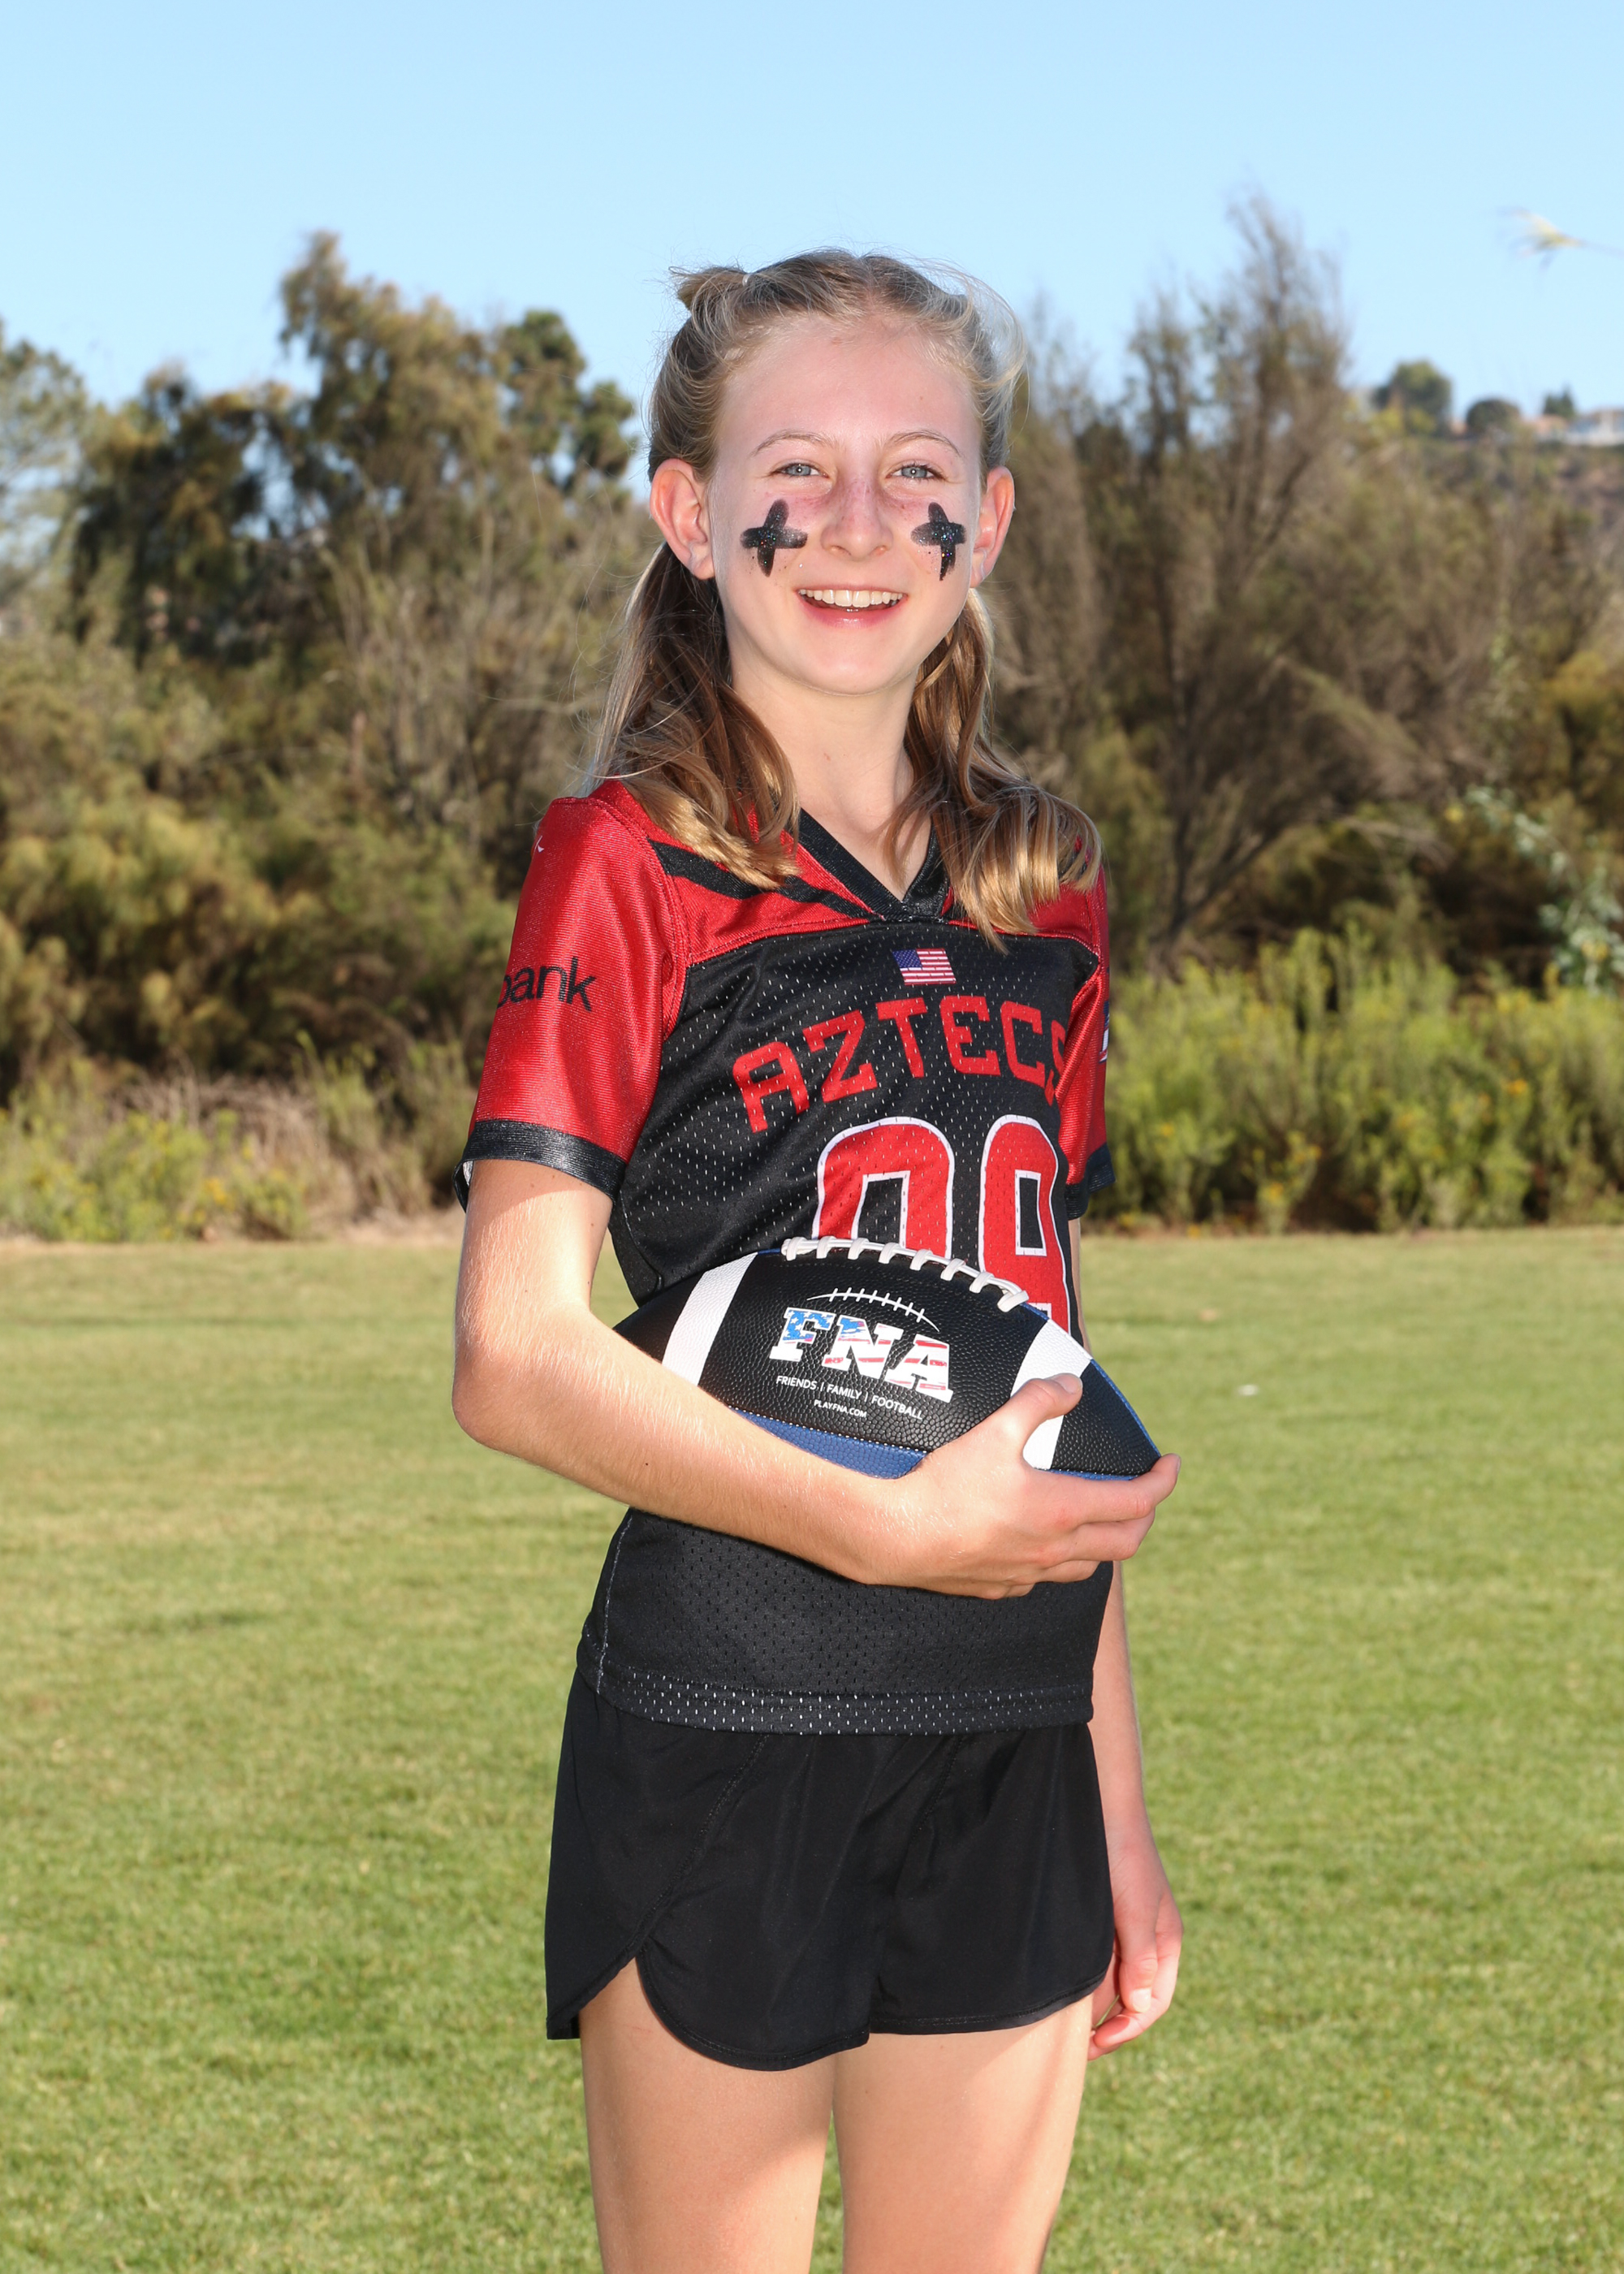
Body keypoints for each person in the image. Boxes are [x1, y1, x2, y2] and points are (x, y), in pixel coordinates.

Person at [451, 252, 1182, 2274]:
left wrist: (1117, 1805)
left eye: (912, 473)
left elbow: (1042, 1370)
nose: (857, 525)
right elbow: (513, 1353)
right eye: (797, 471)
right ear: (692, 513)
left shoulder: (1048, 882)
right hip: (732, 1714)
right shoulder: (629, 860)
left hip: (1011, 1736)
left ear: (987, 519)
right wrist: (880, 1526)